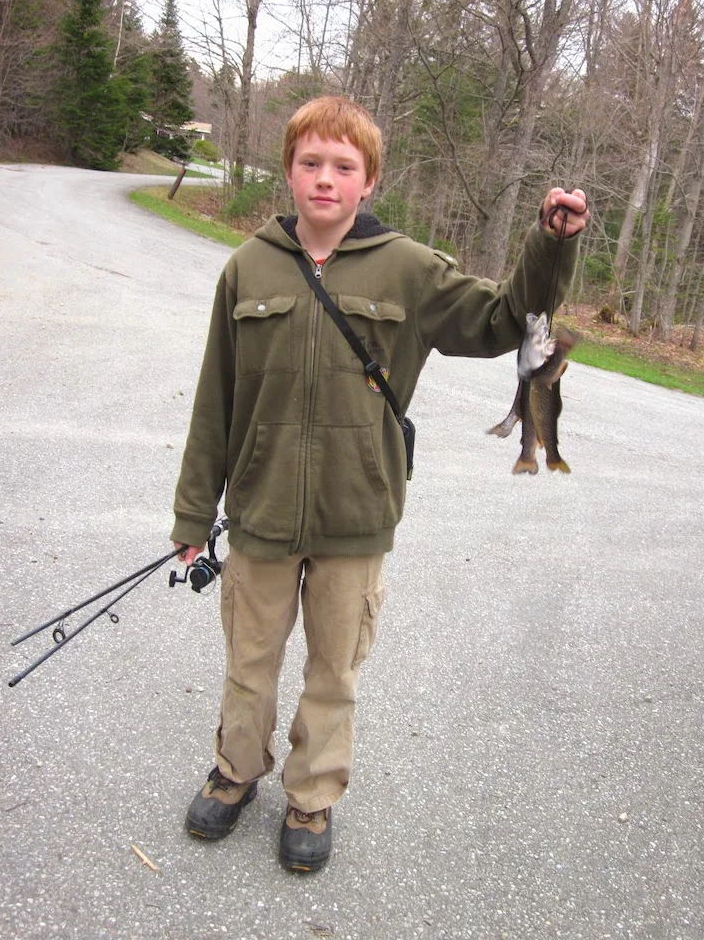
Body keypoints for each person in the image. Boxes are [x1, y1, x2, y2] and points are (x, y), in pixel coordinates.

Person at [171, 95, 589, 872]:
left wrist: (550, 243)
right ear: (288, 171)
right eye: (310, 163)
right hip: (258, 513)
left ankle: (312, 797)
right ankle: (235, 774)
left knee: (334, 670)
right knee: (249, 661)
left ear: (369, 183)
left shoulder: (409, 267)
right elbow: (215, 398)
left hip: (357, 516)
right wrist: (194, 511)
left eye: (344, 167)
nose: (325, 179)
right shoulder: (248, 266)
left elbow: (503, 320)